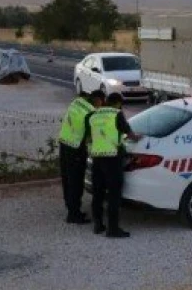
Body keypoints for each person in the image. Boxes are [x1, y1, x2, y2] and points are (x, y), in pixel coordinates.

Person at [86, 92, 137, 238]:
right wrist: (136, 136)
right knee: (114, 195)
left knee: (98, 193)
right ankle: (113, 229)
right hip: (112, 158)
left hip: (97, 158)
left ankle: (98, 225)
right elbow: (128, 132)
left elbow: (90, 137)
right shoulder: (116, 113)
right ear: (118, 103)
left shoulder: (93, 115)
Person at [57, 91, 99, 224]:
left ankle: (71, 208)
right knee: (76, 182)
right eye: (101, 102)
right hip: (76, 149)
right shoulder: (90, 112)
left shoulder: (76, 102)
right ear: (97, 100)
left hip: (64, 143)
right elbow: (90, 136)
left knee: (67, 179)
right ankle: (74, 215)